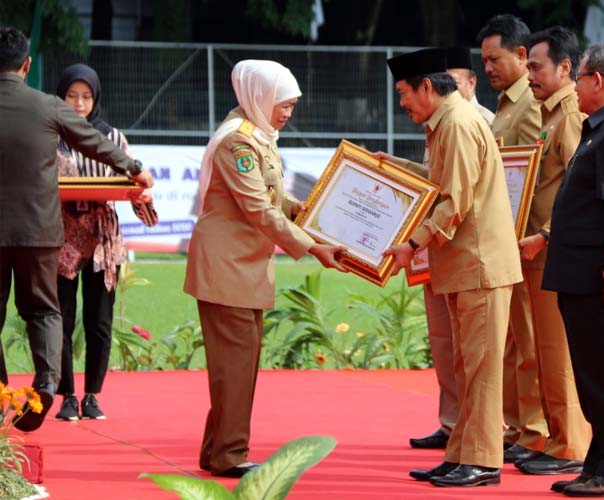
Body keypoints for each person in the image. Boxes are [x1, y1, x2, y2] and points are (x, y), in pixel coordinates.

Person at [183, 59, 347, 478]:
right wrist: (312, 245)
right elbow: (258, 208)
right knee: (236, 366)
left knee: (237, 366)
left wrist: (312, 210)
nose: (287, 113)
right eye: (283, 104)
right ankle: (230, 455)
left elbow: (274, 198)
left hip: (243, 268)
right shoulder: (237, 143)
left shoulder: (259, 135)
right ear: (260, 97)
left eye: (291, 105)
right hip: (227, 269)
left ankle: (217, 451)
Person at [0, 26, 153, 433]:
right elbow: (92, 141)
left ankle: (0, 393)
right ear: (27, 65)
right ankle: (47, 382)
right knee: (45, 311)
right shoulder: (48, 106)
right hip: (41, 231)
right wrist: (134, 168)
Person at [383, 48, 522, 487]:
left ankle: (482, 461)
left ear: (427, 87)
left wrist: (411, 244)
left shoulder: (458, 125)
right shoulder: (447, 123)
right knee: (467, 365)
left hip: (478, 264)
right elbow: (441, 184)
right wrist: (392, 168)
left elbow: (454, 201)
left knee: (479, 368)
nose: (401, 103)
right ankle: (462, 453)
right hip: (466, 265)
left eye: (404, 93)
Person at [542, 44, 604, 497]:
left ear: (597, 81)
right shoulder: (598, 127)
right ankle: (601, 460)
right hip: (578, 270)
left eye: (579, 77)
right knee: (591, 370)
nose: (574, 85)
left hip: (595, 274)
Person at [52, 63, 158, 422]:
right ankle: (65, 394)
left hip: (103, 238)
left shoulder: (114, 139)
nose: (79, 104)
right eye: (71, 96)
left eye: (86, 96)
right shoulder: (50, 136)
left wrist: (142, 195)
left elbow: (132, 184)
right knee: (61, 318)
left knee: (99, 319)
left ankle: (92, 395)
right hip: (61, 237)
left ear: (96, 98)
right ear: (60, 96)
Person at [510, 26, 592, 477]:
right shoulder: (547, 116)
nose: (531, 74)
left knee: (558, 351)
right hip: (537, 249)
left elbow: (578, 190)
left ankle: (570, 444)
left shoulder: (571, 116)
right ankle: (557, 437)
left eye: (537, 66)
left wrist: (544, 234)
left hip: (551, 248)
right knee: (543, 350)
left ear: (566, 68)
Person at [477, 13, 547, 463]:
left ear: (522, 55)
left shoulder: (532, 103)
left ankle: (536, 430)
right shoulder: (506, 103)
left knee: (530, 340)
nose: (487, 68)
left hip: (526, 237)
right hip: (507, 236)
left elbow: (538, 176)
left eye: (494, 58)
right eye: (483, 60)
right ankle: (517, 425)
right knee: (511, 341)